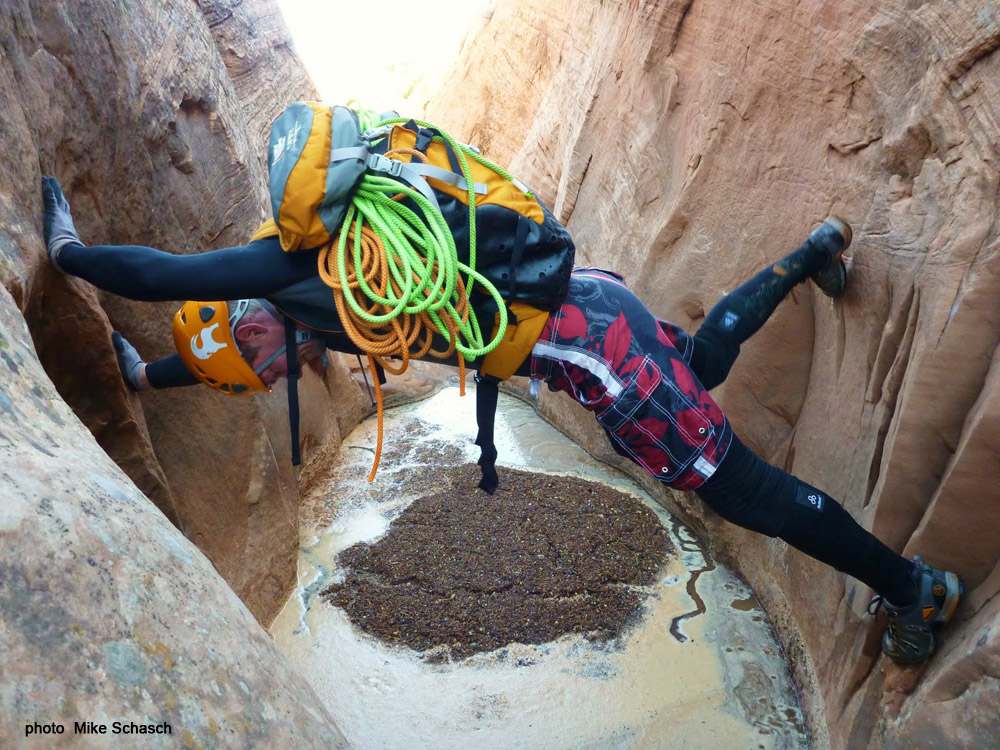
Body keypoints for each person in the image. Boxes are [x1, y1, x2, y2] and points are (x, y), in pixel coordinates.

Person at [42, 175, 963, 665]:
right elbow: (219, 357)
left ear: (256, 324)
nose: (281, 369)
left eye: (266, 357)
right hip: (595, 300)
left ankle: (914, 586)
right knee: (698, 363)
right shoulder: (332, 268)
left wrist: (70, 251)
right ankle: (812, 254)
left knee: (741, 490)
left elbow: (164, 275)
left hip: (588, 351)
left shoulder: (283, 279)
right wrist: (147, 373)